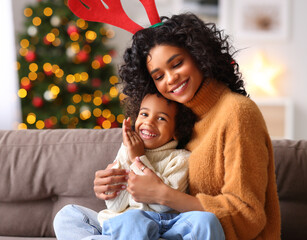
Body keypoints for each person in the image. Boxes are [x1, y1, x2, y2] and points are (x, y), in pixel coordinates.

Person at [93, 13, 281, 239]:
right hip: (167, 230)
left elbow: (246, 215)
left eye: (177, 64)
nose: (170, 79)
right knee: (72, 216)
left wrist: (163, 195)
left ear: (199, 55)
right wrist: (110, 185)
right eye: (159, 76)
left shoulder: (237, 112)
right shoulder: (179, 122)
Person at [53, 91, 204, 240]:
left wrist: (138, 158)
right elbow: (115, 206)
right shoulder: (126, 150)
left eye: (161, 118)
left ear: (176, 131)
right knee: (67, 214)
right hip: (116, 224)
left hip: (153, 226)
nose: (149, 122)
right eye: (144, 114)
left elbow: (161, 206)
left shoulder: (180, 159)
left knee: (133, 219)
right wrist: (127, 154)